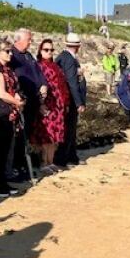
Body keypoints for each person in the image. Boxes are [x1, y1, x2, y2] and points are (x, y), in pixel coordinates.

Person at [0, 37, 24, 197]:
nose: (10, 54)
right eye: (7, 51)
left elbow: (12, 87)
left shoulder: (7, 70)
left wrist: (18, 98)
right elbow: (1, 93)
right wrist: (16, 101)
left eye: (10, 50)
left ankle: (2, 182)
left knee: (4, 150)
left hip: (9, 113)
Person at [9, 28, 48, 180]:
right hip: (21, 101)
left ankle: (23, 164)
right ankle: (16, 166)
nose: (31, 42)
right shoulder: (12, 55)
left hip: (33, 100)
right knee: (18, 136)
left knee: (26, 135)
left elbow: (38, 72)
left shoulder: (28, 55)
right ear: (19, 40)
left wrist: (43, 84)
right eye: (29, 39)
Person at [31, 39, 69, 173]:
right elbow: (37, 86)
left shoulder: (55, 66)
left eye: (51, 50)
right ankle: (44, 162)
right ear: (40, 51)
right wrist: (40, 104)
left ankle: (51, 161)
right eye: (46, 50)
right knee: (46, 135)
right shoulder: (38, 66)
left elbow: (62, 86)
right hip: (47, 103)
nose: (49, 52)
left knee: (55, 135)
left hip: (57, 104)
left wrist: (65, 102)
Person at [53, 32, 87, 168]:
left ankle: (71, 156)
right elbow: (72, 82)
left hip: (67, 99)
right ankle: (63, 159)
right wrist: (79, 102)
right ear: (77, 46)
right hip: (69, 100)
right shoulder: (68, 59)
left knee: (70, 130)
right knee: (68, 130)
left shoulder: (65, 57)